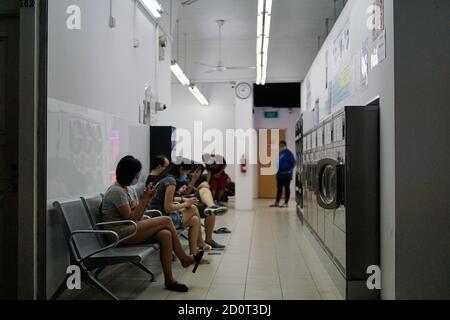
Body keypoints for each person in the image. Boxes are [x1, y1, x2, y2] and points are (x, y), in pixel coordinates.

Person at [101, 156, 204, 293]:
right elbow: (131, 217)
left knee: (165, 234)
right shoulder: (117, 191)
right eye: (136, 173)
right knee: (166, 220)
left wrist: (147, 200)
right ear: (129, 173)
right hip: (118, 234)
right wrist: (145, 200)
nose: (138, 176)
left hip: (130, 228)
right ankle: (184, 258)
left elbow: (136, 215)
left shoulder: (128, 189)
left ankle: (169, 280)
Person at [146, 157, 211, 256]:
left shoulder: (164, 177)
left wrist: (182, 199)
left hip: (157, 216)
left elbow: (166, 200)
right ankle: (200, 243)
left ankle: (194, 253)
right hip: (161, 219)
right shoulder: (171, 181)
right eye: (186, 173)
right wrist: (186, 204)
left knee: (194, 220)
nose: (186, 176)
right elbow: (168, 207)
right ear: (181, 169)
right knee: (193, 208)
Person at [174, 162, 227, 250]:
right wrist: (183, 199)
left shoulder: (180, 177)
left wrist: (194, 179)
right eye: (187, 172)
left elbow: (187, 191)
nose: (187, 174)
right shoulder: (170, 181)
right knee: (205, 190)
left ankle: (212, 206)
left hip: (187, 199)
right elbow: (171, 199)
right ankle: (212, 206)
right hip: (181, 204)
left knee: (205, 187)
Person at [270, 141, 296, 208]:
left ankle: (286, 203)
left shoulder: (289, 153)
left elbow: (293, 163)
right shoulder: (279, 153)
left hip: (287, 175)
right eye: (280, 145)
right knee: (279, 189)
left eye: (282, 145)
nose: (280, 147)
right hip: (279, 175)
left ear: (285, 145)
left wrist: (288, 170)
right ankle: (277, 203)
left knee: (287, 188)